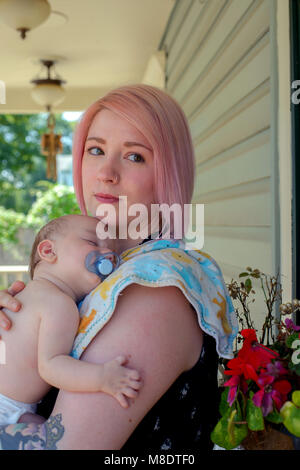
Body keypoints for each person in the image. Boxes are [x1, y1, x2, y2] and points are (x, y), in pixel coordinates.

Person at [0, 84, 238, 450]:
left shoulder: (157, 286)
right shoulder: (94, 273)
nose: (106, 172)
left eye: (135, 156)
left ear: (168, 174)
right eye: (95, 150)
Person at [0, 213, 142, 427]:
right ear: (48, 251)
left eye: (112, 251)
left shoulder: (25, 296)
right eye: (92, 242)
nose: (108, 255)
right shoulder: (59, 304)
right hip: (7, 408)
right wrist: (102, 378)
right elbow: (51, 366)